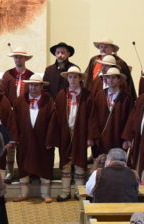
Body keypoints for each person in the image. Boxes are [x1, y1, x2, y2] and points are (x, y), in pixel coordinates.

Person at [47, 66, 92, 201]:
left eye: (75, 77)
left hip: (80, 132)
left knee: (79, 162)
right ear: (67, 79)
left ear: (80, 79)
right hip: (65, 133)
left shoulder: (87, 95)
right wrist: (54, 136)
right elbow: (56, 116)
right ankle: (65, 191)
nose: (72, 80)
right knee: (65, 163)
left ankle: (79, 192)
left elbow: (91, 117)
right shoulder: (62, 94)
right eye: (70, 77)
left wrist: (90, 136)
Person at [11, 74, 55, 202]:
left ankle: (45, 194)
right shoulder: (20, 100)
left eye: (36, 85)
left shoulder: (49, 101)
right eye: (31, 85)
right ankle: (23, 193)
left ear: (41, 87)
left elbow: (53, 121)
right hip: (24, 139)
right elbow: (14, 120)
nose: (33, 88)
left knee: (45, 164)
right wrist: (15, 137)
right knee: (23, 163)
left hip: (43, 141)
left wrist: (50, 140)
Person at [0, 47, 34, 183]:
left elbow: (35, 93)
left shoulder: (31, 75)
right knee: (10, 142)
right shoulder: (8, 75)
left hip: (26, 114)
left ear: (25, 59)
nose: (18, 59)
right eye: (16, 57)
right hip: (11, 113)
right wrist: (8, 107)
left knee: (25, 142)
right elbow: (1, 92)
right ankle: (9, 171)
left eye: (20, 57)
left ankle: (25, 170)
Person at [87, 67, 134, 156]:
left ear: (119, 80)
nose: (110, 80)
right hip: (101, 138)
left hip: (118, 137)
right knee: (101, 162)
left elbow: (130, 120)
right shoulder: (99, 95)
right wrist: (93, 136)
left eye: (113, 77)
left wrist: (127, 138)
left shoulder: (126, 98)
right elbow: (93, 117)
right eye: (108, 77)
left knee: (116, 164)